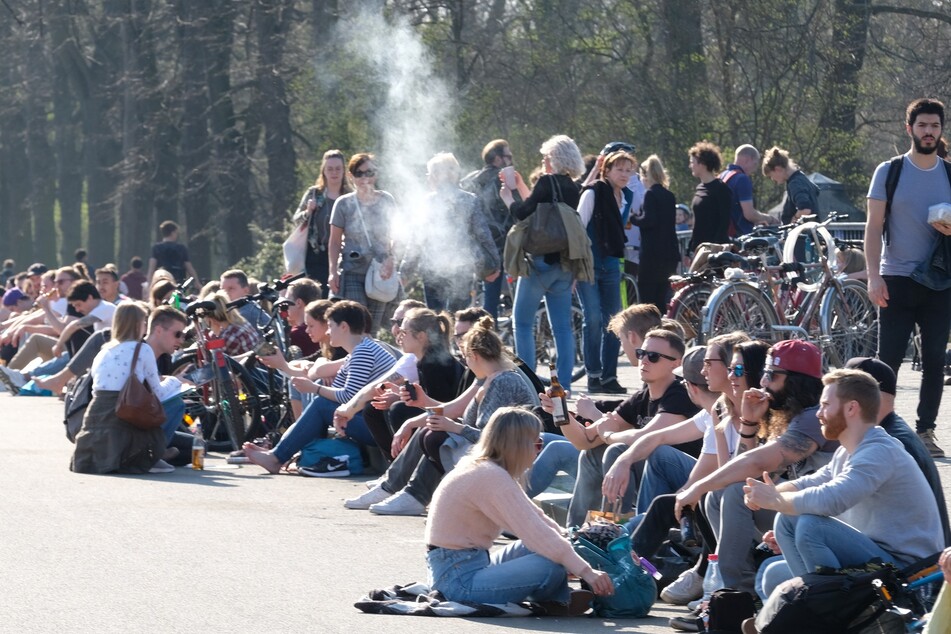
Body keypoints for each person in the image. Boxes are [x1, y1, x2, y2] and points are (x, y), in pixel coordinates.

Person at [672, 340, 837, 597]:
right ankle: (740, 590)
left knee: (736, 492)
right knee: (717, 495)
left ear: (796, 380)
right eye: (764, 373)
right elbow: (748, 473)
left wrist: (696, 487)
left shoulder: (812, 418)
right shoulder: (782, 414)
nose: (763, 382)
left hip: (827, 519)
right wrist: (749, 423)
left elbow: (757, 463)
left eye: (771, 375)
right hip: (802, 510)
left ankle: (729, 594)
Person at [744, 369, 943, 579]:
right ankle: (813, 599)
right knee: (773, 571)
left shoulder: (879, 452)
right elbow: (809, 483)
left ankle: (827, 606)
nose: (818, 413)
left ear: (851, 408)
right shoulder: (847, 451)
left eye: (826, 405)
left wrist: (774, 500)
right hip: (879, 558)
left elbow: (831, 499)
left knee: (812, 527)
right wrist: (768, 492)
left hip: (912, 574)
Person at [424, 407, 614, 613]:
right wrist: (586, 571)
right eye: (537, 444)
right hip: (459, 581)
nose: (538, 450)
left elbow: (537, 517)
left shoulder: (485, 468)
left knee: (552, 549)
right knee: (550, 565)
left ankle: (556, 597)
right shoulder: (491, 476)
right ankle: (557, 600)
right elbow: (536, 533)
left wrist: (571, 541)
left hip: (461, 566)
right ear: (518, 446)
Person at [345, 315, 538, 516]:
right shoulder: (487, 378)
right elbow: (454, 410)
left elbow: (490, 437)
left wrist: (454, 427)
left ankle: (411, 494)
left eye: (465, 356)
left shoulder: (502, 382)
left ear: (475, 356)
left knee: (436, 434)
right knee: (429, 428)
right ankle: (397, 489)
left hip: (508, 453)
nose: (464, 361)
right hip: (493, 447)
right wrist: (419, 411)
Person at [865, 98, 951, 458]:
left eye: (934, 126)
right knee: (888, 360)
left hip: (940, 282)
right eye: (922, 125)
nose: (928, 132)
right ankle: (881, 429)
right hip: (896, 278)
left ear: (941, 130)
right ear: (909, 129)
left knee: (934, 359)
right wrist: (873, 276)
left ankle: (925, 430)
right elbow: (873, 227)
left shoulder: (949, 173)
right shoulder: (890, 170)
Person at [561, 327, 699, 528]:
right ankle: (577, 531)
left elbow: (645, 437)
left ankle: (613, 528)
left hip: (681, 480)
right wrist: (561, 414)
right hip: (646, 478)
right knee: (591, 454)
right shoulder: (641, 398)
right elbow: (584, 441)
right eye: (641, 353)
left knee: (616, 450)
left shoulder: (680, 394)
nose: (643, 360)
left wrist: (606, 432)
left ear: (676, 363)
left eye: (653, 356)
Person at [244, 301, 397, 473]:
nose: (328, 331)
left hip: (383, 427)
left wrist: (314, 388)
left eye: (331, 326)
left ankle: (277, 457)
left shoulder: (363, 352)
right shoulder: (358, 351)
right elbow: (336, 392)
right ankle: (283, 454)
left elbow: (347, 397)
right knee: (320, 402)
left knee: (320, 404)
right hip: (374, 421)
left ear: (344, 327)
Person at [501, 134, 589, 384]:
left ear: (554, 158)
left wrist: (508, 197)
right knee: (562, 328)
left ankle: (528, 381)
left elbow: (524, 214)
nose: (543, 160)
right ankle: (564, 384)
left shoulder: (546, 181)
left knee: (522, 322)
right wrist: (520, 185)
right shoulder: (573, 188)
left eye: (545, 156)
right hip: (564, 265)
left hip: (539, 263)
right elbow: (545, 211)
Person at [70, 303, 175, 475]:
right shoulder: (143, 349)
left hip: (96, 415)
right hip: (124, 413)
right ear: (137, 324)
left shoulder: (103, 352)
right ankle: (157, 452)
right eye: (144, 323)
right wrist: (175, 382)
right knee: (168, 403)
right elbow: (159, 392)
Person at [358, 307, 469, 456]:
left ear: (421, 336)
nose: (399, 336)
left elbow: (442, 406)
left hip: (455, 424)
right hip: (443, 415)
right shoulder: (425, 360)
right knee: (374, 408)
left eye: (404, 332)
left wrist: (402, 401)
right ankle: (395, 465)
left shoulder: (434, 364)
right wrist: (400, 394)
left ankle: (405, 467)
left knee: (399, 410)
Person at [402, 152, 499, 311]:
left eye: (431, 173)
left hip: (432, 269)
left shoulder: (427, 202)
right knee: (459, 319)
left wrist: (405, 271)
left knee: (437, 322)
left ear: (436, 175)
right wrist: (495, 264)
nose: (429, 177)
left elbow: (416, 240)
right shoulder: (470, 199)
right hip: (462, 267)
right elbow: (483, 234)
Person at [575, 149, 634, 395]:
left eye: (629, 170)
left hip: (611, 263)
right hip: (589, 264)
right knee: (594, 319)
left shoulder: (627, 196)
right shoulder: (592, 192)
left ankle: (609, 376)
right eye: (619, 169)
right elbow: (578, 227)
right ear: (606, 170)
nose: (624, 174)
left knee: (614, 320)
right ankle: (593, 374)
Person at [327, 153, 400, 335]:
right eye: (359, 173)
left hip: (380, 270)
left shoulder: (386, 200)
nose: (364, 178)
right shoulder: (343, 203)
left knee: (373, 328)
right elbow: (335, 241)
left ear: (376, 174)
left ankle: (373, 361)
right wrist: (332, 271)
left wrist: (392, 260)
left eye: (369, 172)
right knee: (358, 324)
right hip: (353, 270)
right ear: (351, 176)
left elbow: (398, 233)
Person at [460, 139, 516, 322]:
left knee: (485, 300)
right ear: (498, 159)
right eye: (508, 156)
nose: (511, 160)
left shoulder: (470, 181)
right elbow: (517, 209)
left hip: (477, 247)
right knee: (515, 301)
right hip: (504, 245)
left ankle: (481, 336)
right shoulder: (503, 179)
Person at [294, 149, 351, 294]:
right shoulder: (314, 193)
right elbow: (296, 219)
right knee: (317, 295)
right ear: (323, 171)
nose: (334, 172)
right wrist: (308, 212)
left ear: (344, 171)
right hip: (315, 255)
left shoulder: (349, 196)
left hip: (342, 256)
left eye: (338, 168)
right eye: (330, 169)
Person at [631, 154, 681, 314]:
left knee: (647, 298)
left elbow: (649, 220)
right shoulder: (669, 195)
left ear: (645, 175)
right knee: (662, 297)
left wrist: (633, 218)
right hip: (669, 254)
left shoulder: (650, 194)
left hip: (652, 256)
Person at [719, 145, 777, 237]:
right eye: (755, 164)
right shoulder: (742, 179)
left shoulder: (722, 176)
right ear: (747, 159)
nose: (754, 169)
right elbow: (749, 214)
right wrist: (771, 219)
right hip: (739, 238)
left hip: (722, 234)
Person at [687, 141, 732, 256]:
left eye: (692, 162)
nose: (690, 166)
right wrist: (690, 248)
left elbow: (724, 223)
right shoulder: (700, 188)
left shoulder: (721, 189)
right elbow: (697, 223)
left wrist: (715, 250)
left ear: (702, 164)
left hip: (715, 252)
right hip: (699, 249)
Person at [762, 146, 820, 224]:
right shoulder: (801, 178)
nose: (773, 179)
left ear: (777, 169)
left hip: (803, 234)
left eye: (771, 176)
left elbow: (805, 209)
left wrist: (794, 219)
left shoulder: (795, 184)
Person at [146, 220, 199, 288]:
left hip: (161, 282)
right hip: (178, 282)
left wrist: (149, 284)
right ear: (173, 232)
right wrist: (196, 281)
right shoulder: (181, 248)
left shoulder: (156, 248)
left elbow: (151, 268)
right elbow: (189, 267)